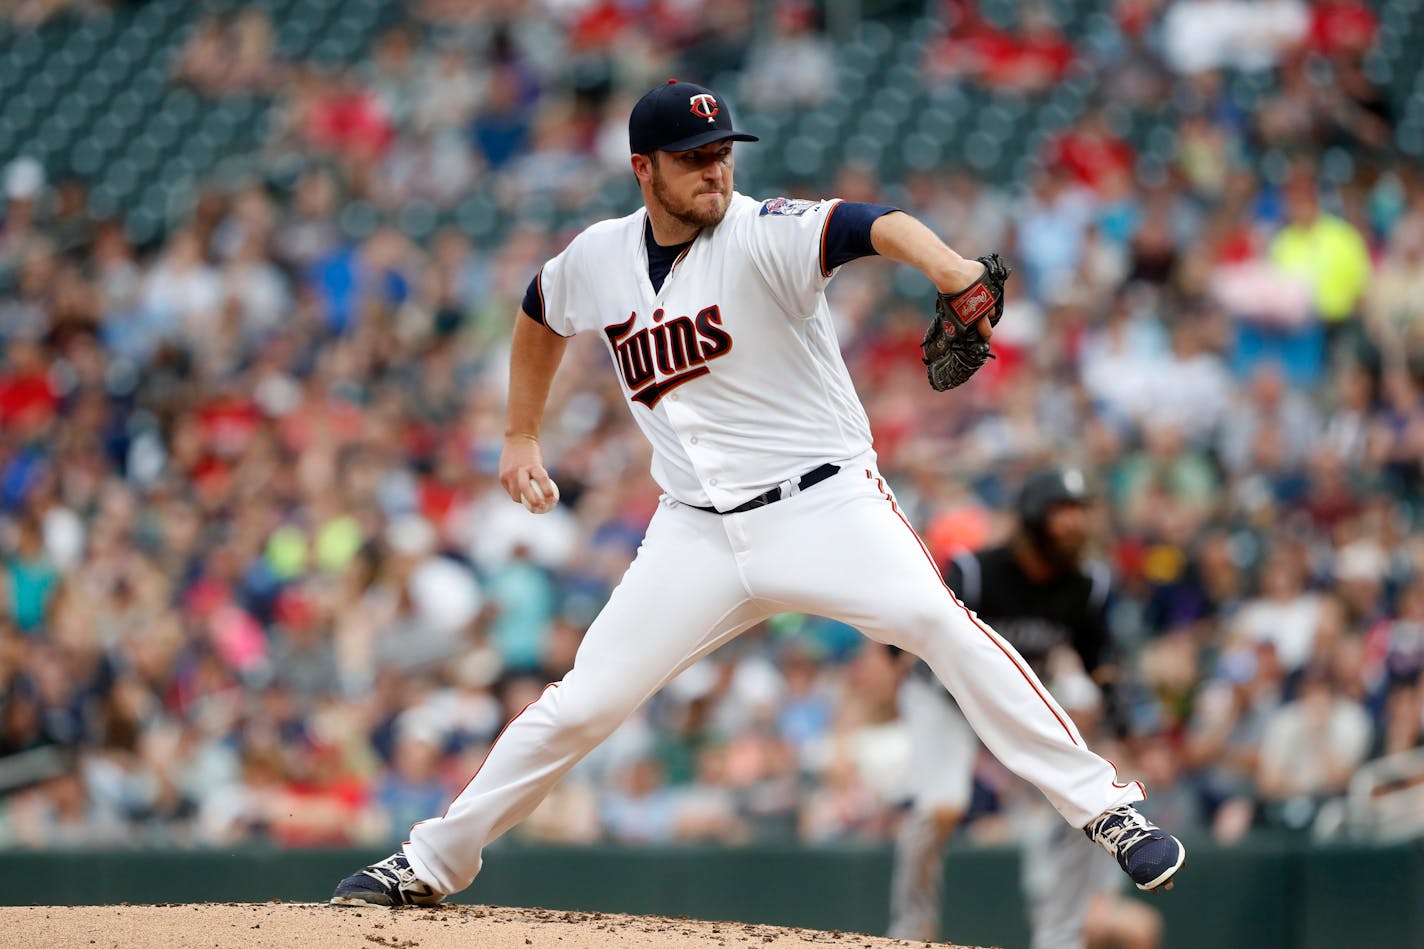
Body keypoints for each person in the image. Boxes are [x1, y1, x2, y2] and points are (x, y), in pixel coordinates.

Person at [330, 80, 1185, 909]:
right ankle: (433, 859)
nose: (715, 169)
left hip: (825, 508)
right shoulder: (600, 256)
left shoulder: (763, 231)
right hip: (694, 532)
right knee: (583, 702)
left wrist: (950, 263)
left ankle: (1106, 807)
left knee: (936, 623)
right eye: (693, 156)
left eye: (723, 152)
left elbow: (867, 224)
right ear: (643, 169)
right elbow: (539, 309)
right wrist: (520, 431)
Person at [887, 467, 1163, 948]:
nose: (1075, 523)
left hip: (1012, 704)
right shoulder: (976, 571)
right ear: (1033, 518)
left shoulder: (1085, 585)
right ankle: (910, 932)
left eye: (1080, 512)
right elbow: (908, 627)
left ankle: (1059, 938)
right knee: (941, 805)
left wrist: (1120, 718)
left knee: (1089, 803)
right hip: (942, 698)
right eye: (1063, 512)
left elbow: (1101, 662)